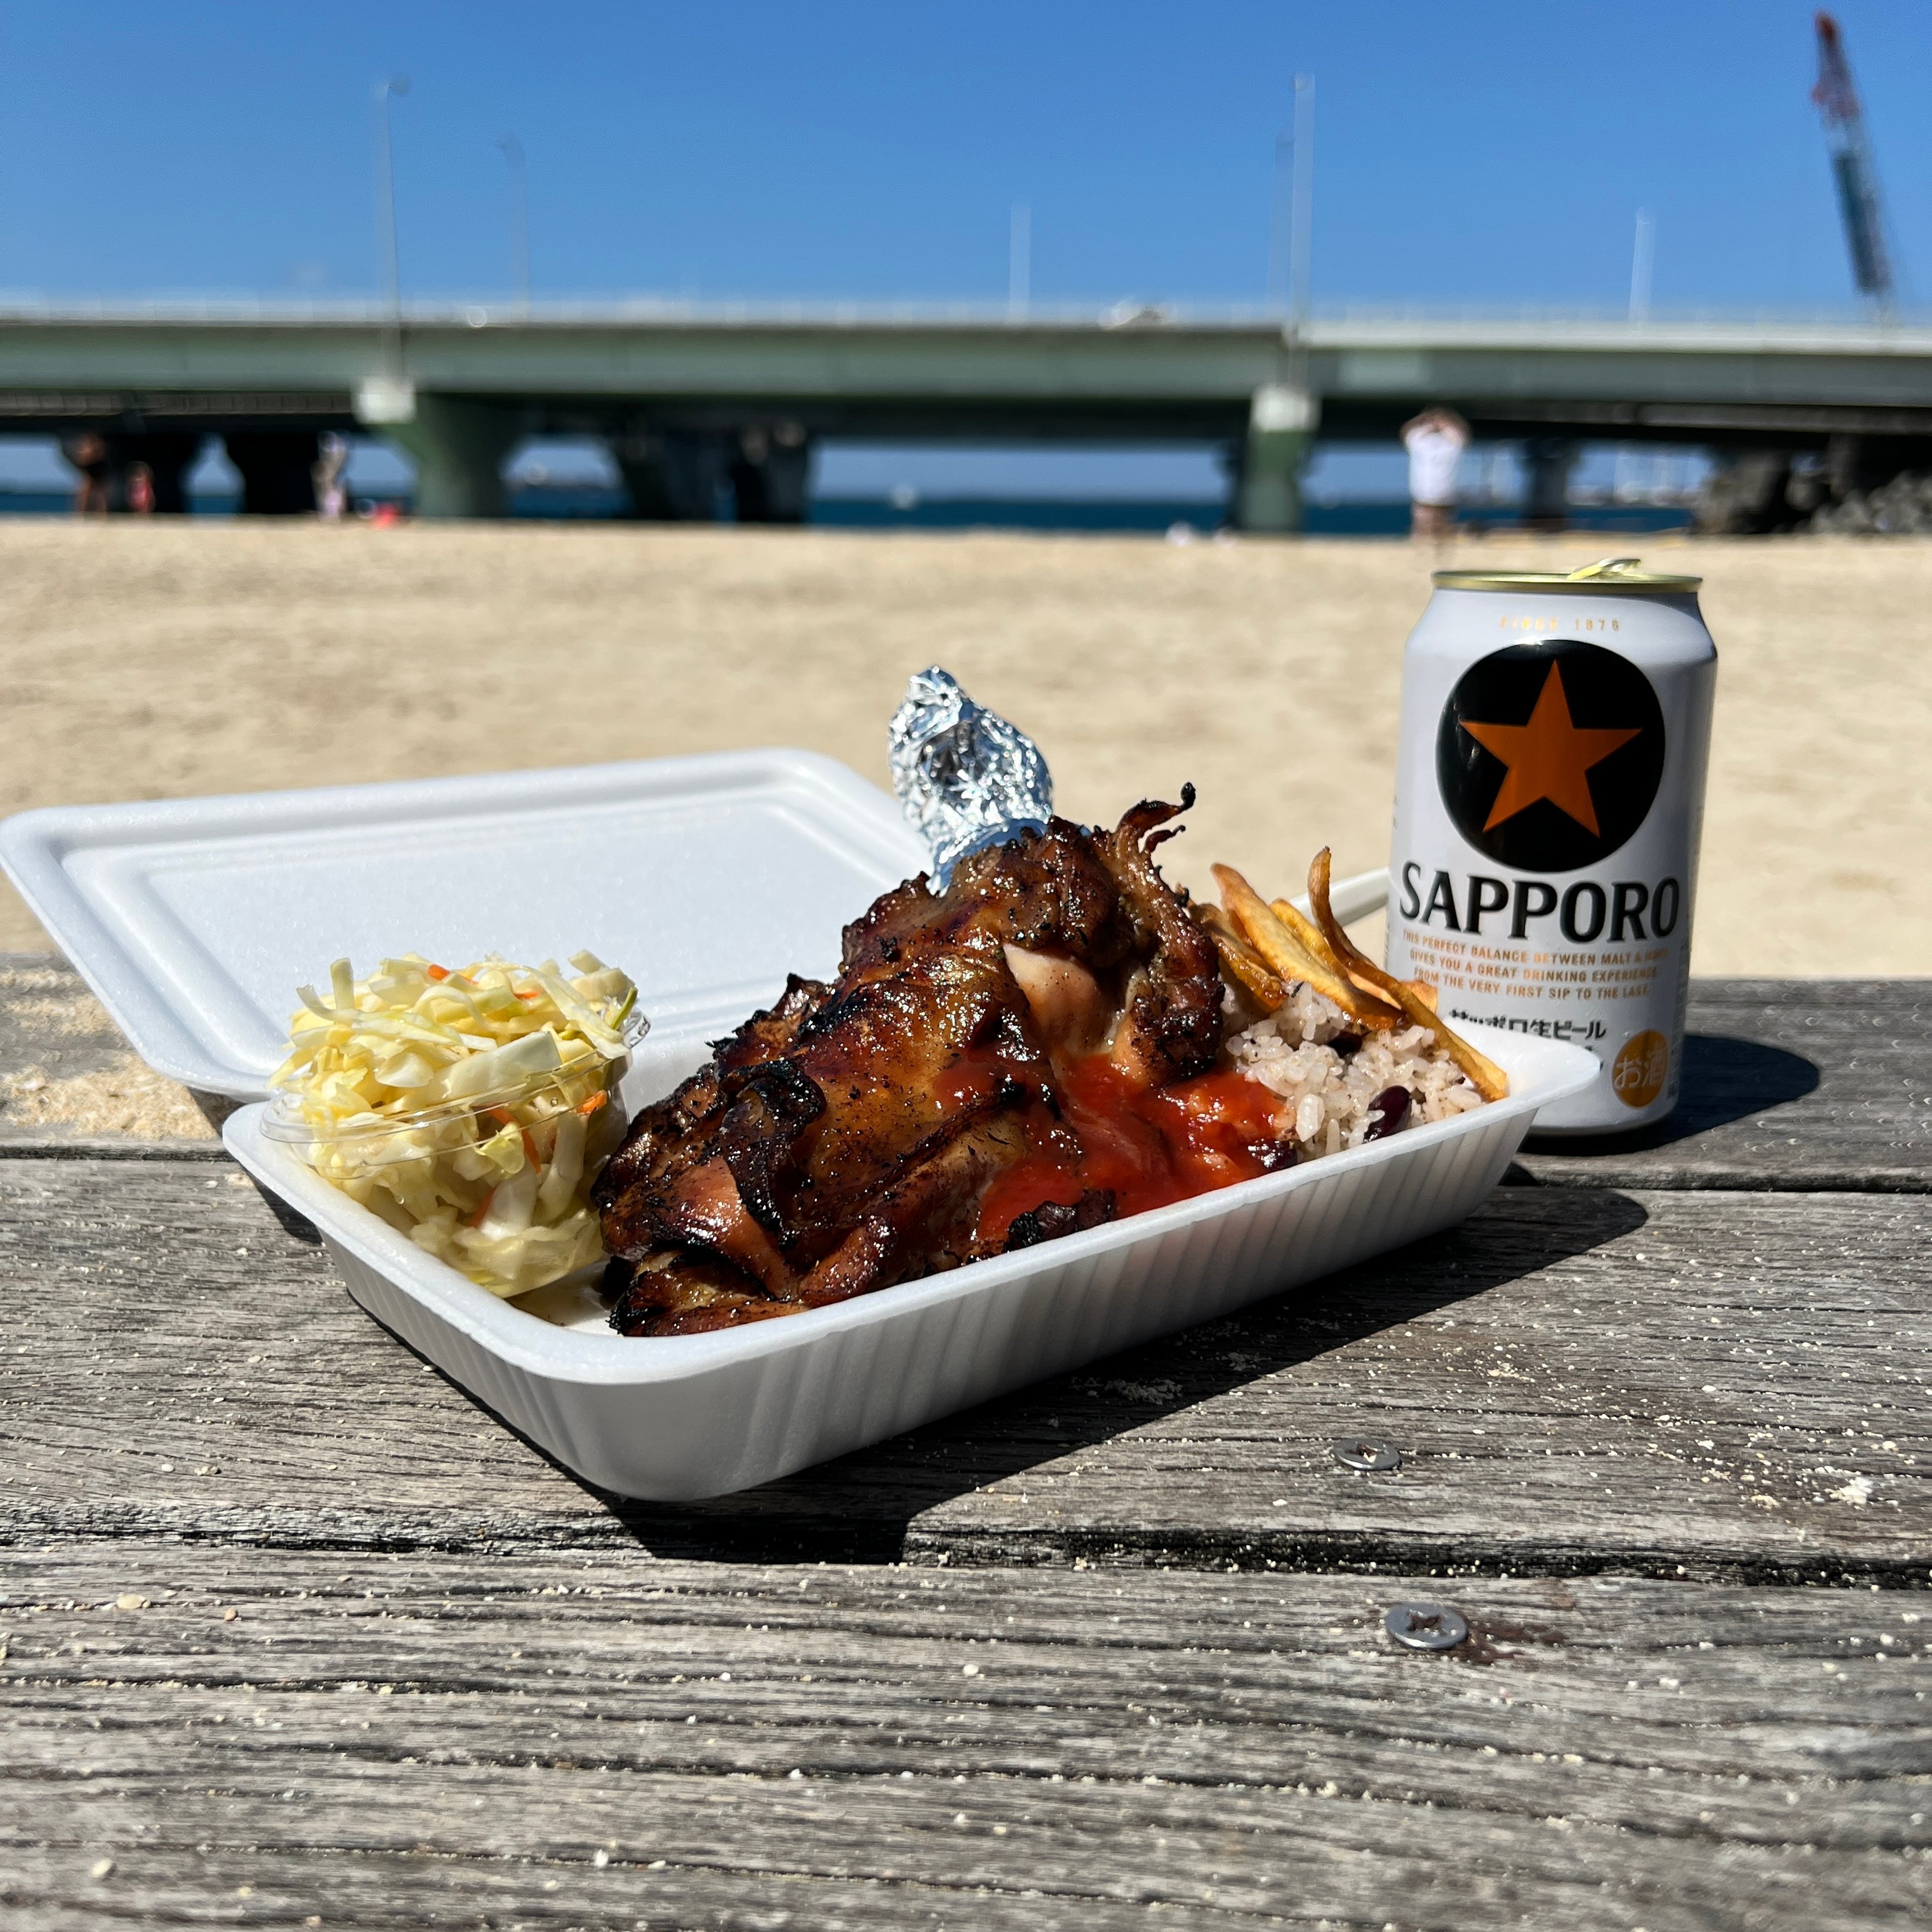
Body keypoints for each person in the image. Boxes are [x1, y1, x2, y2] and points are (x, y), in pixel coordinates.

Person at [1401, 407, 1470, 542]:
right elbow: (1406, 432)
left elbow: (1463, 434)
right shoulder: (1420, 442)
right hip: (1424, 493)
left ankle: (1441, 552)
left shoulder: (1451, 443)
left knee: (1443, 526)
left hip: (1445, 493)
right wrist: (1423, 420)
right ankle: (1421, 551)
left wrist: (1446, 422)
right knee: (1422, 525)